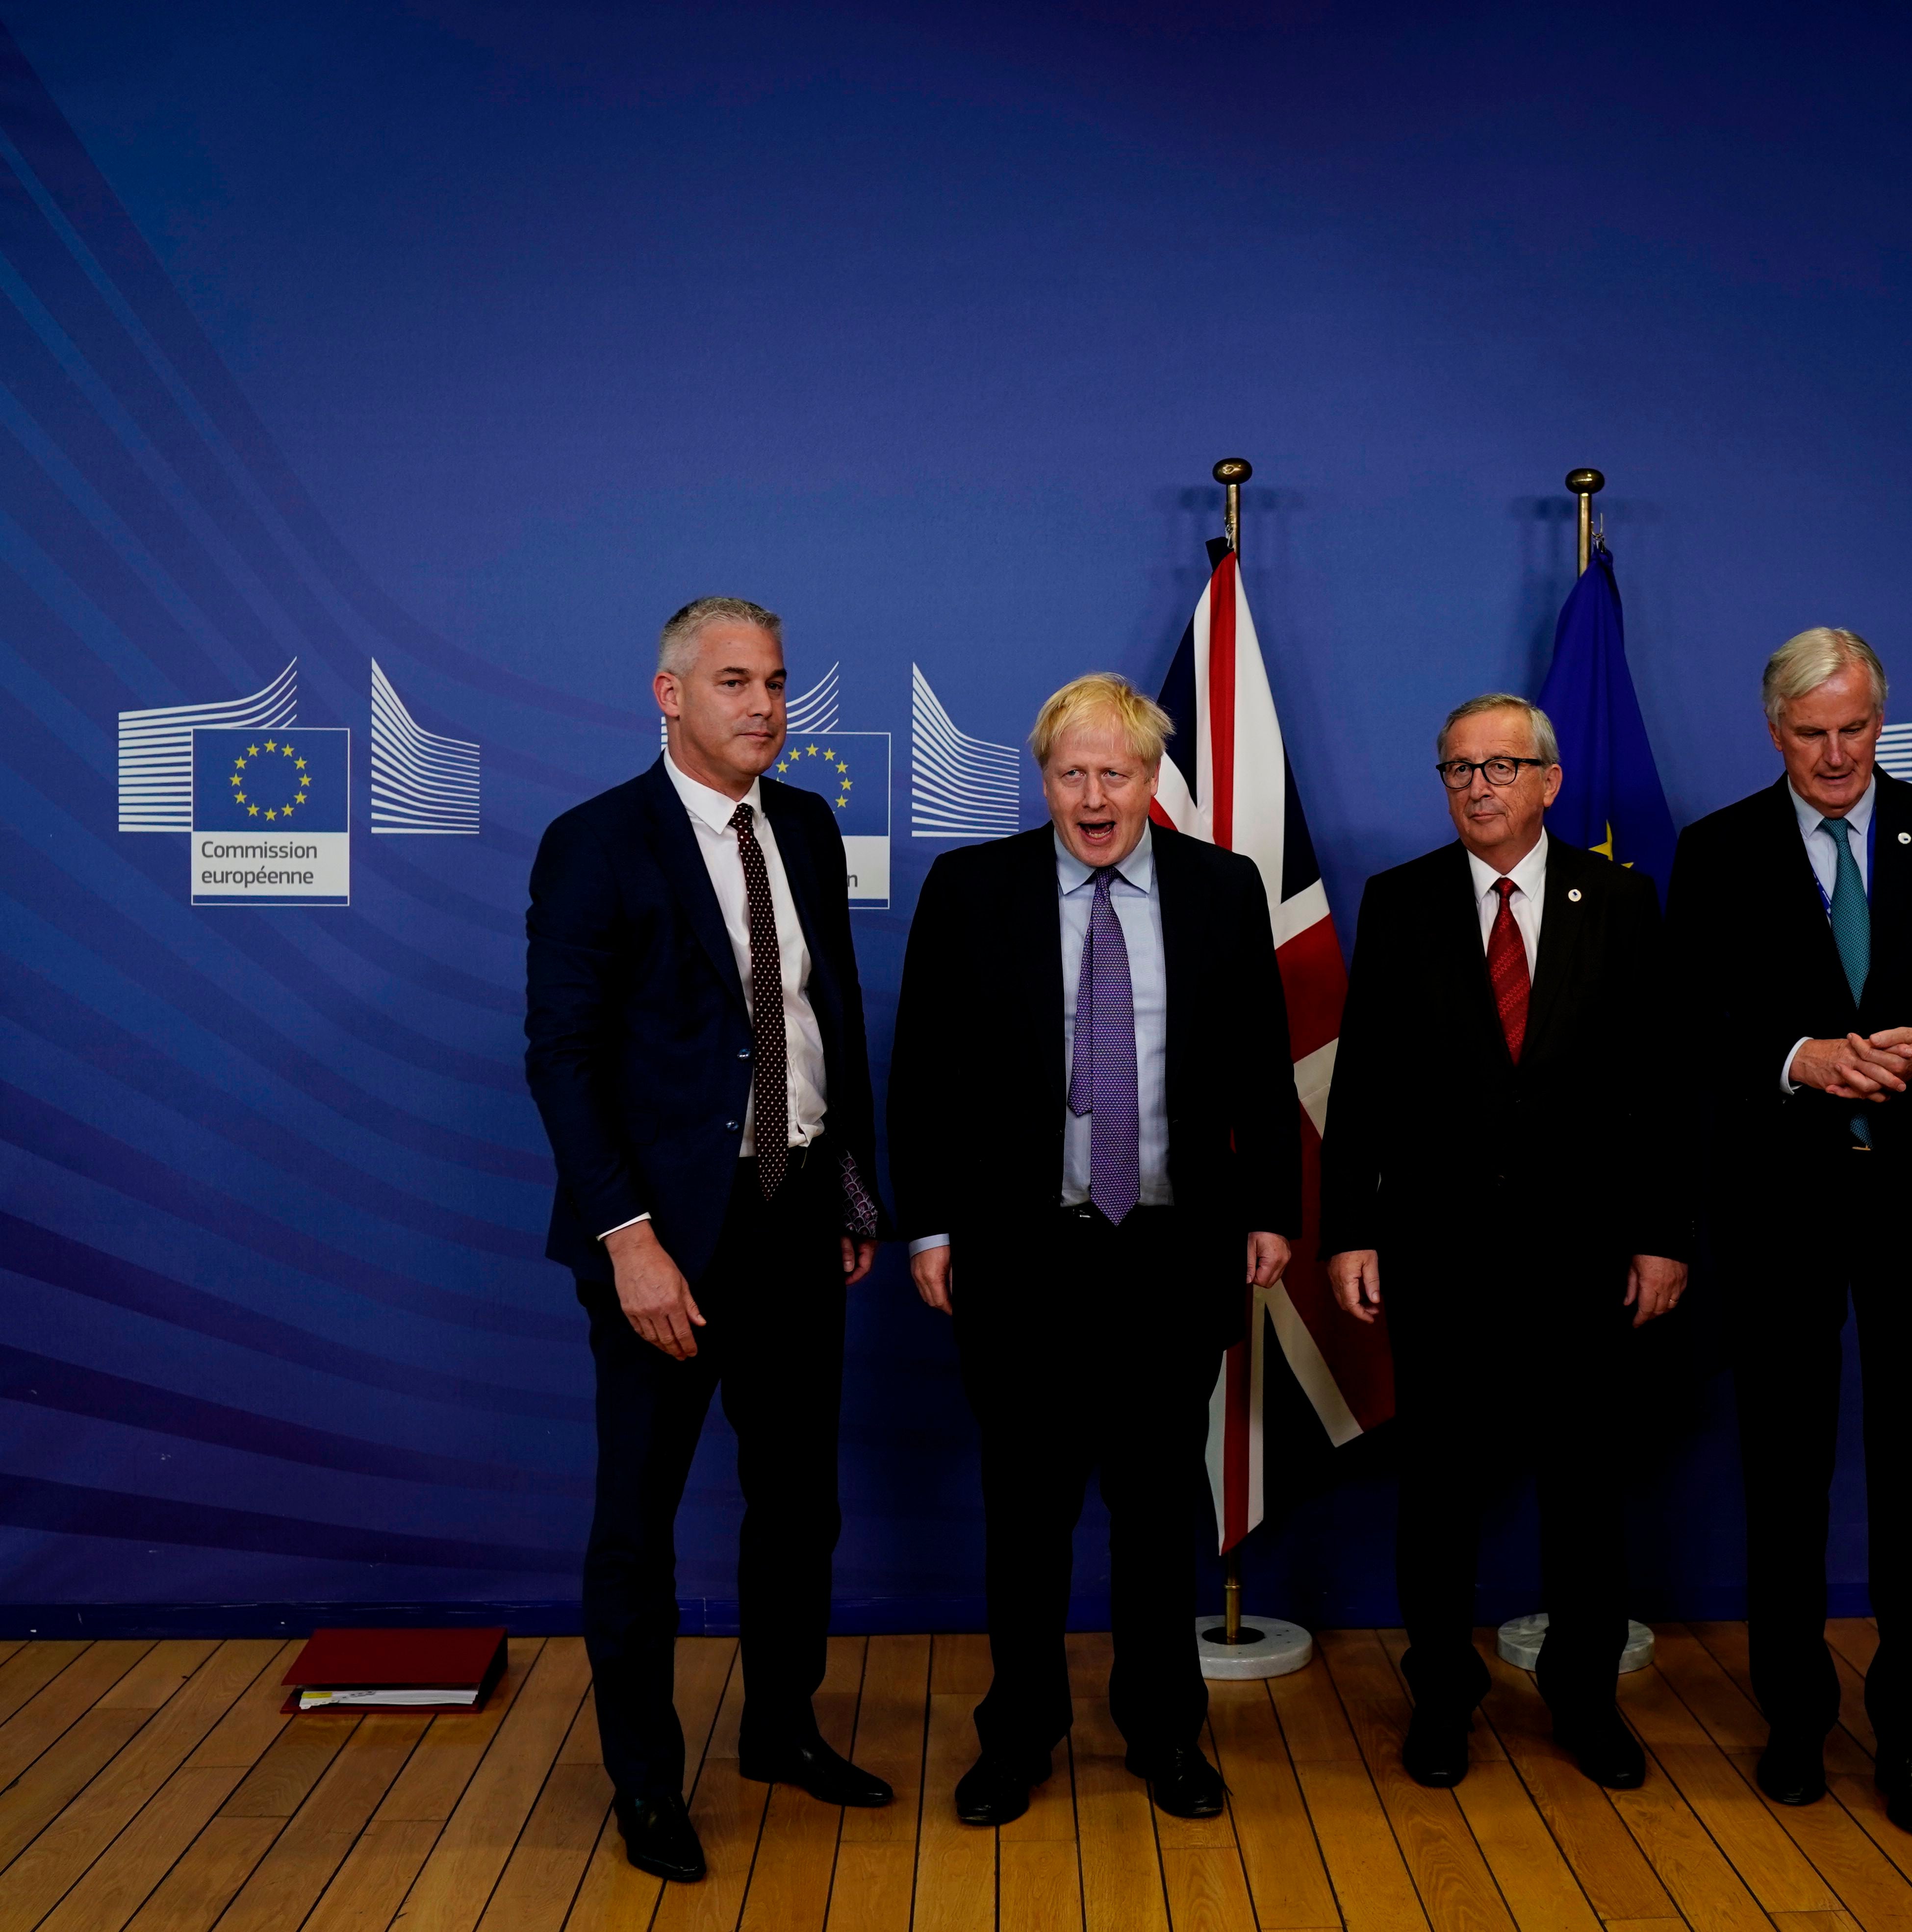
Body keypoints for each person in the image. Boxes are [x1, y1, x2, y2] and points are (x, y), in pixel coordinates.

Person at [888, 673, 1300, 1828]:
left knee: (1160, 1515)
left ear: (1152, 779)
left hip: (1171, 1256)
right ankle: (1017, 1734)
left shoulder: (1223, 889)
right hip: (1023, 1261)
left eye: (1115, 771)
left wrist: (1272, 1208)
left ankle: (1166, 1732)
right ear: (1045, 781)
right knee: (1025, 1517)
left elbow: (1266, 1072)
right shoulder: (973, 889)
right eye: (1071, 772)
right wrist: (929, 1223)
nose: (1093, 794)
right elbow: (922, 1075)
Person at [524, 596, 893, 1885]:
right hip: (664, 1239)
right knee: (638, 1515)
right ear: (667, 695)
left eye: (778, 681)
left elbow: (825, 1016)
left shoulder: (802, 823)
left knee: (799, 1504)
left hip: (795, 1221)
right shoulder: (595, 844)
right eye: (735, 681)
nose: (765, 705)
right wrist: (629, 1240)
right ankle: (643, 1780)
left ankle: (781, 1729)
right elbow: (562, 1060)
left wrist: (850, 1187)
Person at [1670, 627, 1912, 1838]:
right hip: (1780, 1209)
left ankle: (1911, 1737)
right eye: (1810, 733)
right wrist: (1797, 1057)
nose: (1836, 754)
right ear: (1772, 730)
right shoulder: (1720, 848)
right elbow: (1683, 1027)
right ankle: (1794, 1719)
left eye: (1855, 728)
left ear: (1882, 720)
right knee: (1784, 1478)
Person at [1322, 694, 1690, 1793]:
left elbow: (1664, 1088)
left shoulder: (1620, 900)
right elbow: (1365, 1086)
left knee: (1585, 1493)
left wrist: (1663, 1234)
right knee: (1437, 1495)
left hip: (1582, 1261)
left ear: (1550, 780)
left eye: (1501, 765)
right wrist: (1350, 1228)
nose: (1478, 786)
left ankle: (1584, 1694)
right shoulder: (1400, 901)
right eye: (1458, 769)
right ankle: (1441, 1693)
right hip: (1438, 1256)